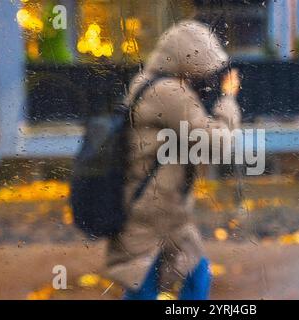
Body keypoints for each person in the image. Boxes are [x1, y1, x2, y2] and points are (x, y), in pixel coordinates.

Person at [104, 19, 241, 300]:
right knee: (171, 278)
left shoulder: (147, 83)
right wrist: (228, 99)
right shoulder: (169, 93)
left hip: (153, 205)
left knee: (158, 278)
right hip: (154, 212)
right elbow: (217, 143)